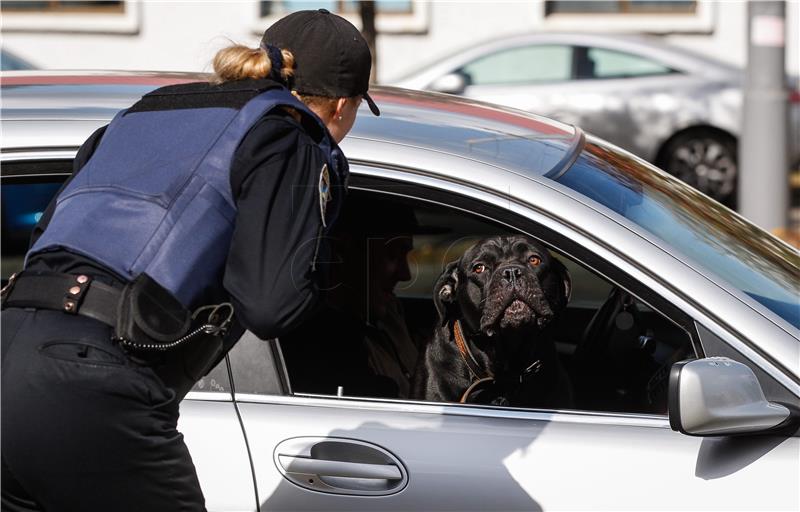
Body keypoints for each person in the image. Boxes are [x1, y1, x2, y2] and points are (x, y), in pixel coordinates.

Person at [0, 9, 378, 511]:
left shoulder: (150, 111)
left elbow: (56, 233)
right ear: (341, 107)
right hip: (91, 384)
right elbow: (270, 305)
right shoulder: (288, 136)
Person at [282, 195, 436, 399]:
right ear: (342, 251)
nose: (405, 274)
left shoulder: (388, 320)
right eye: (392, 254)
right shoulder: (325, 349)